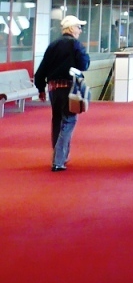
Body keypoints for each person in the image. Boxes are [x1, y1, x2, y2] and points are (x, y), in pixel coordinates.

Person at [34, 14, 91, 172]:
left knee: (57, 119)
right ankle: (58, 160)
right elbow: (84, 64)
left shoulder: (53, 45)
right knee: (69, 120)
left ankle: (60, 155)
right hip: (69, 87)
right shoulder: (76, 45)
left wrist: (40, 88)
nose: (80, 30)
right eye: (79, 27)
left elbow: (42, 69)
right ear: (71, 28)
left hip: (53, 87)